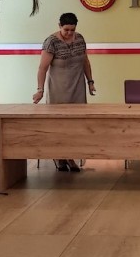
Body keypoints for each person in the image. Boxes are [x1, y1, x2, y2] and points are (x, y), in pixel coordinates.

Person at [32, 12, 95, 172]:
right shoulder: (51, 42)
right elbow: (42, 68)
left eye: (72, 30)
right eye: (66, 30)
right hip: (58, 89)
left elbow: (85, 61)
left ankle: (71, 157)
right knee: (59, 125)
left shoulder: (79, 39)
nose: (69, 33)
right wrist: (40, 90)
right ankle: (59, 157)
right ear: (59, 26)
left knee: (76, 126)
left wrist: (90, 82)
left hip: (77, 87)